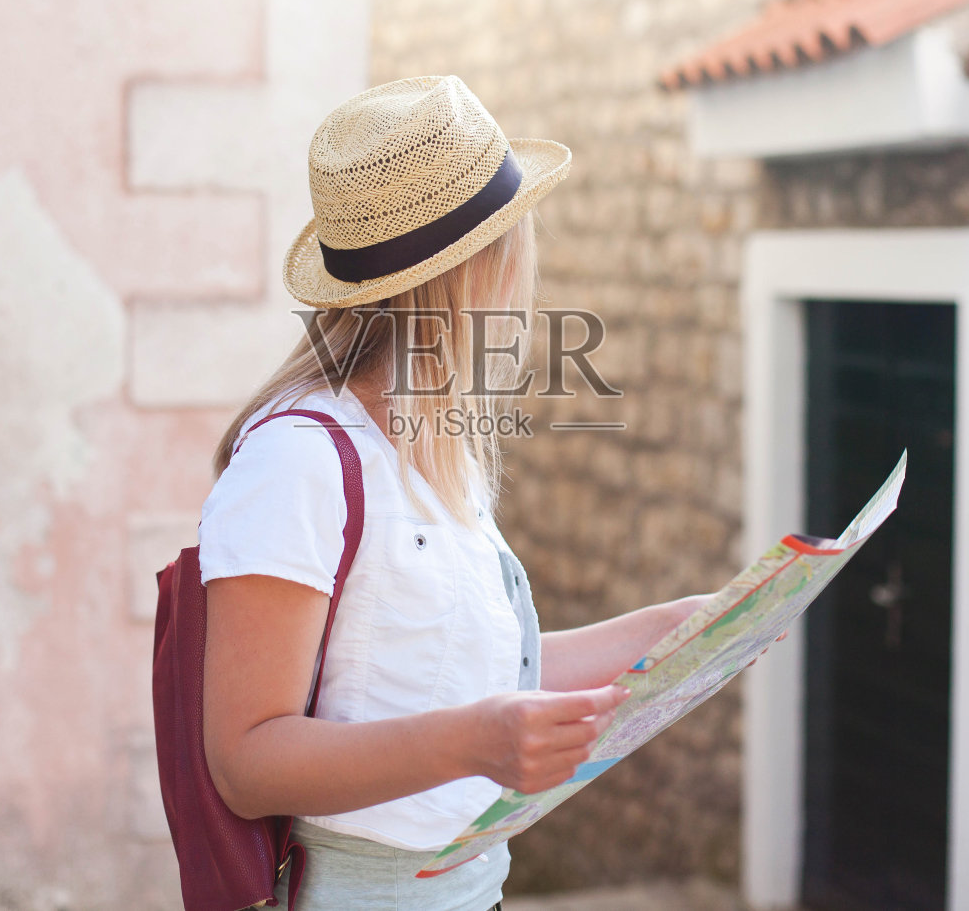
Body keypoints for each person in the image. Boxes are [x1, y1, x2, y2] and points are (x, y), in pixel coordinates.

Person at [198, 76, 712, 910]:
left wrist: (692, 624)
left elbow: (468, 669)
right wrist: (475, 743)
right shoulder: (298, 460)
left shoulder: (437, 445)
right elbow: (248, 761)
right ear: (484, 265)